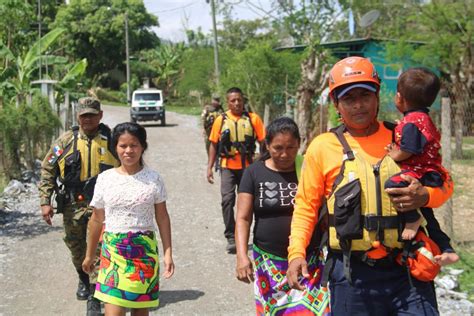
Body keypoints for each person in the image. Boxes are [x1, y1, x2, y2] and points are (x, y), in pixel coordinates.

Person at [286, 56, 454, 315]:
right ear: (336, 104)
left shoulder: (403, 137)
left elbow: (445, 184)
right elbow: (306, 206)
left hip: (407, 267)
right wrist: (296, 253)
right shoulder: (322, 147)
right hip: (352, 274)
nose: (358, 105)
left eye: (365, 96)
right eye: (349, 99)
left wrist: (425, 196)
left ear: (377, 97)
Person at [235, 117, 330, 315]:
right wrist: (242, 256)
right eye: (278, 148)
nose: (285, 154)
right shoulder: (253, 173)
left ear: (299, 144)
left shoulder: (308, 169)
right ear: (267, 145)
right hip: (269, 265)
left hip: (309, 262)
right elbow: (243, 218)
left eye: (291, 147)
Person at [82, 122, 174, 315]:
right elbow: (97, 220)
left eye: (134, 145)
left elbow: (162, 218)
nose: (128, 151)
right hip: (112, 255)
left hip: (143, 255)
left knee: (140, 312)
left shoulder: (153, 179)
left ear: (143, 147)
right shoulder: (105, 179)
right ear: (115, 148)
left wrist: (167, 253)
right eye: (123, 146)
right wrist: (90, 255)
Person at [39, 97, 118, 315]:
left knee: (100, 249)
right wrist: (45, 201)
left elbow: (129, 167)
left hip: (103, 207)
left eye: (92, 114)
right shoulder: (65, 141)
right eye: (84, 115)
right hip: (73, 205)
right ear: (78, 117)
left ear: (100, 116)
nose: (88, 119)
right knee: (76, 247)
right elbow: (48, 170)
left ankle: (94, 295)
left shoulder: (112, 140)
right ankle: (83, 279)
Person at [384, 67, 459, 265]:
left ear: (400, 97)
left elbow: (408, 149)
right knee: (429, 217)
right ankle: (447, 248)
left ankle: (411, 218)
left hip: (420, 172)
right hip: (431, 171)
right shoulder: (423, 118)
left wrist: (394, 153)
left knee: (392, 183)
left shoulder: (411, 122)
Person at [207, 87, 266, 254]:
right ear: (228, 102)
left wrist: (263, 162)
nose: (237, 103)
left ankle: (255, 235)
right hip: (227, 166)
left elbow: (264, 142)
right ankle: (231, 237)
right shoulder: (221, 120)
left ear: (243, 100)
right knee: (227, 200)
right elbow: (213, 144)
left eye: (239, 100)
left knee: (252, 203)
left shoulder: (253, 119)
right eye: (233, 100)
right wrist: (209, 167)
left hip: (248, 168)